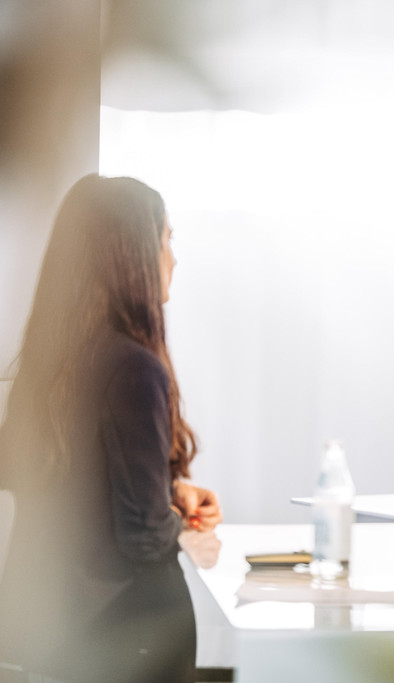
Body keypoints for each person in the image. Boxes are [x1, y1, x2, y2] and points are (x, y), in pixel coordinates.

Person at [0, 174, 221, 683]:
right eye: (167, 240)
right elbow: (143, 534)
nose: (174, 258)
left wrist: (169, 491)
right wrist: (182, 527)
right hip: (127, 638)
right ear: (134, 253)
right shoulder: (135, 367)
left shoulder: (52, 362)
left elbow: (60, 479)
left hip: (54, 634)